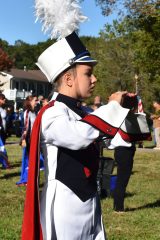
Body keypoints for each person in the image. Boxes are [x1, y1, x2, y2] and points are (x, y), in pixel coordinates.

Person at [21, 31, 151, 240]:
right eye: (88, 73)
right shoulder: (52, 112)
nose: (94, 78)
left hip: (90, 199)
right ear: (69, 78)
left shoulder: (87, 113)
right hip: (63, 205)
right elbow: (78, 136)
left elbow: (121, 138)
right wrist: (112, 108)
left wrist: (128, 110)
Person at [16, 95, 40, 185]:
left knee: (32, 160)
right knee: (27, 159)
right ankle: (25, 179)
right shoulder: (28, 112)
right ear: (30, 102)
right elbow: (26, 127)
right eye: (35, 100)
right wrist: (24, 140)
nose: (37, 102)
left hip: (34, 139)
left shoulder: (35, 112)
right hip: (28, 139)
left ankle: (31, 179)